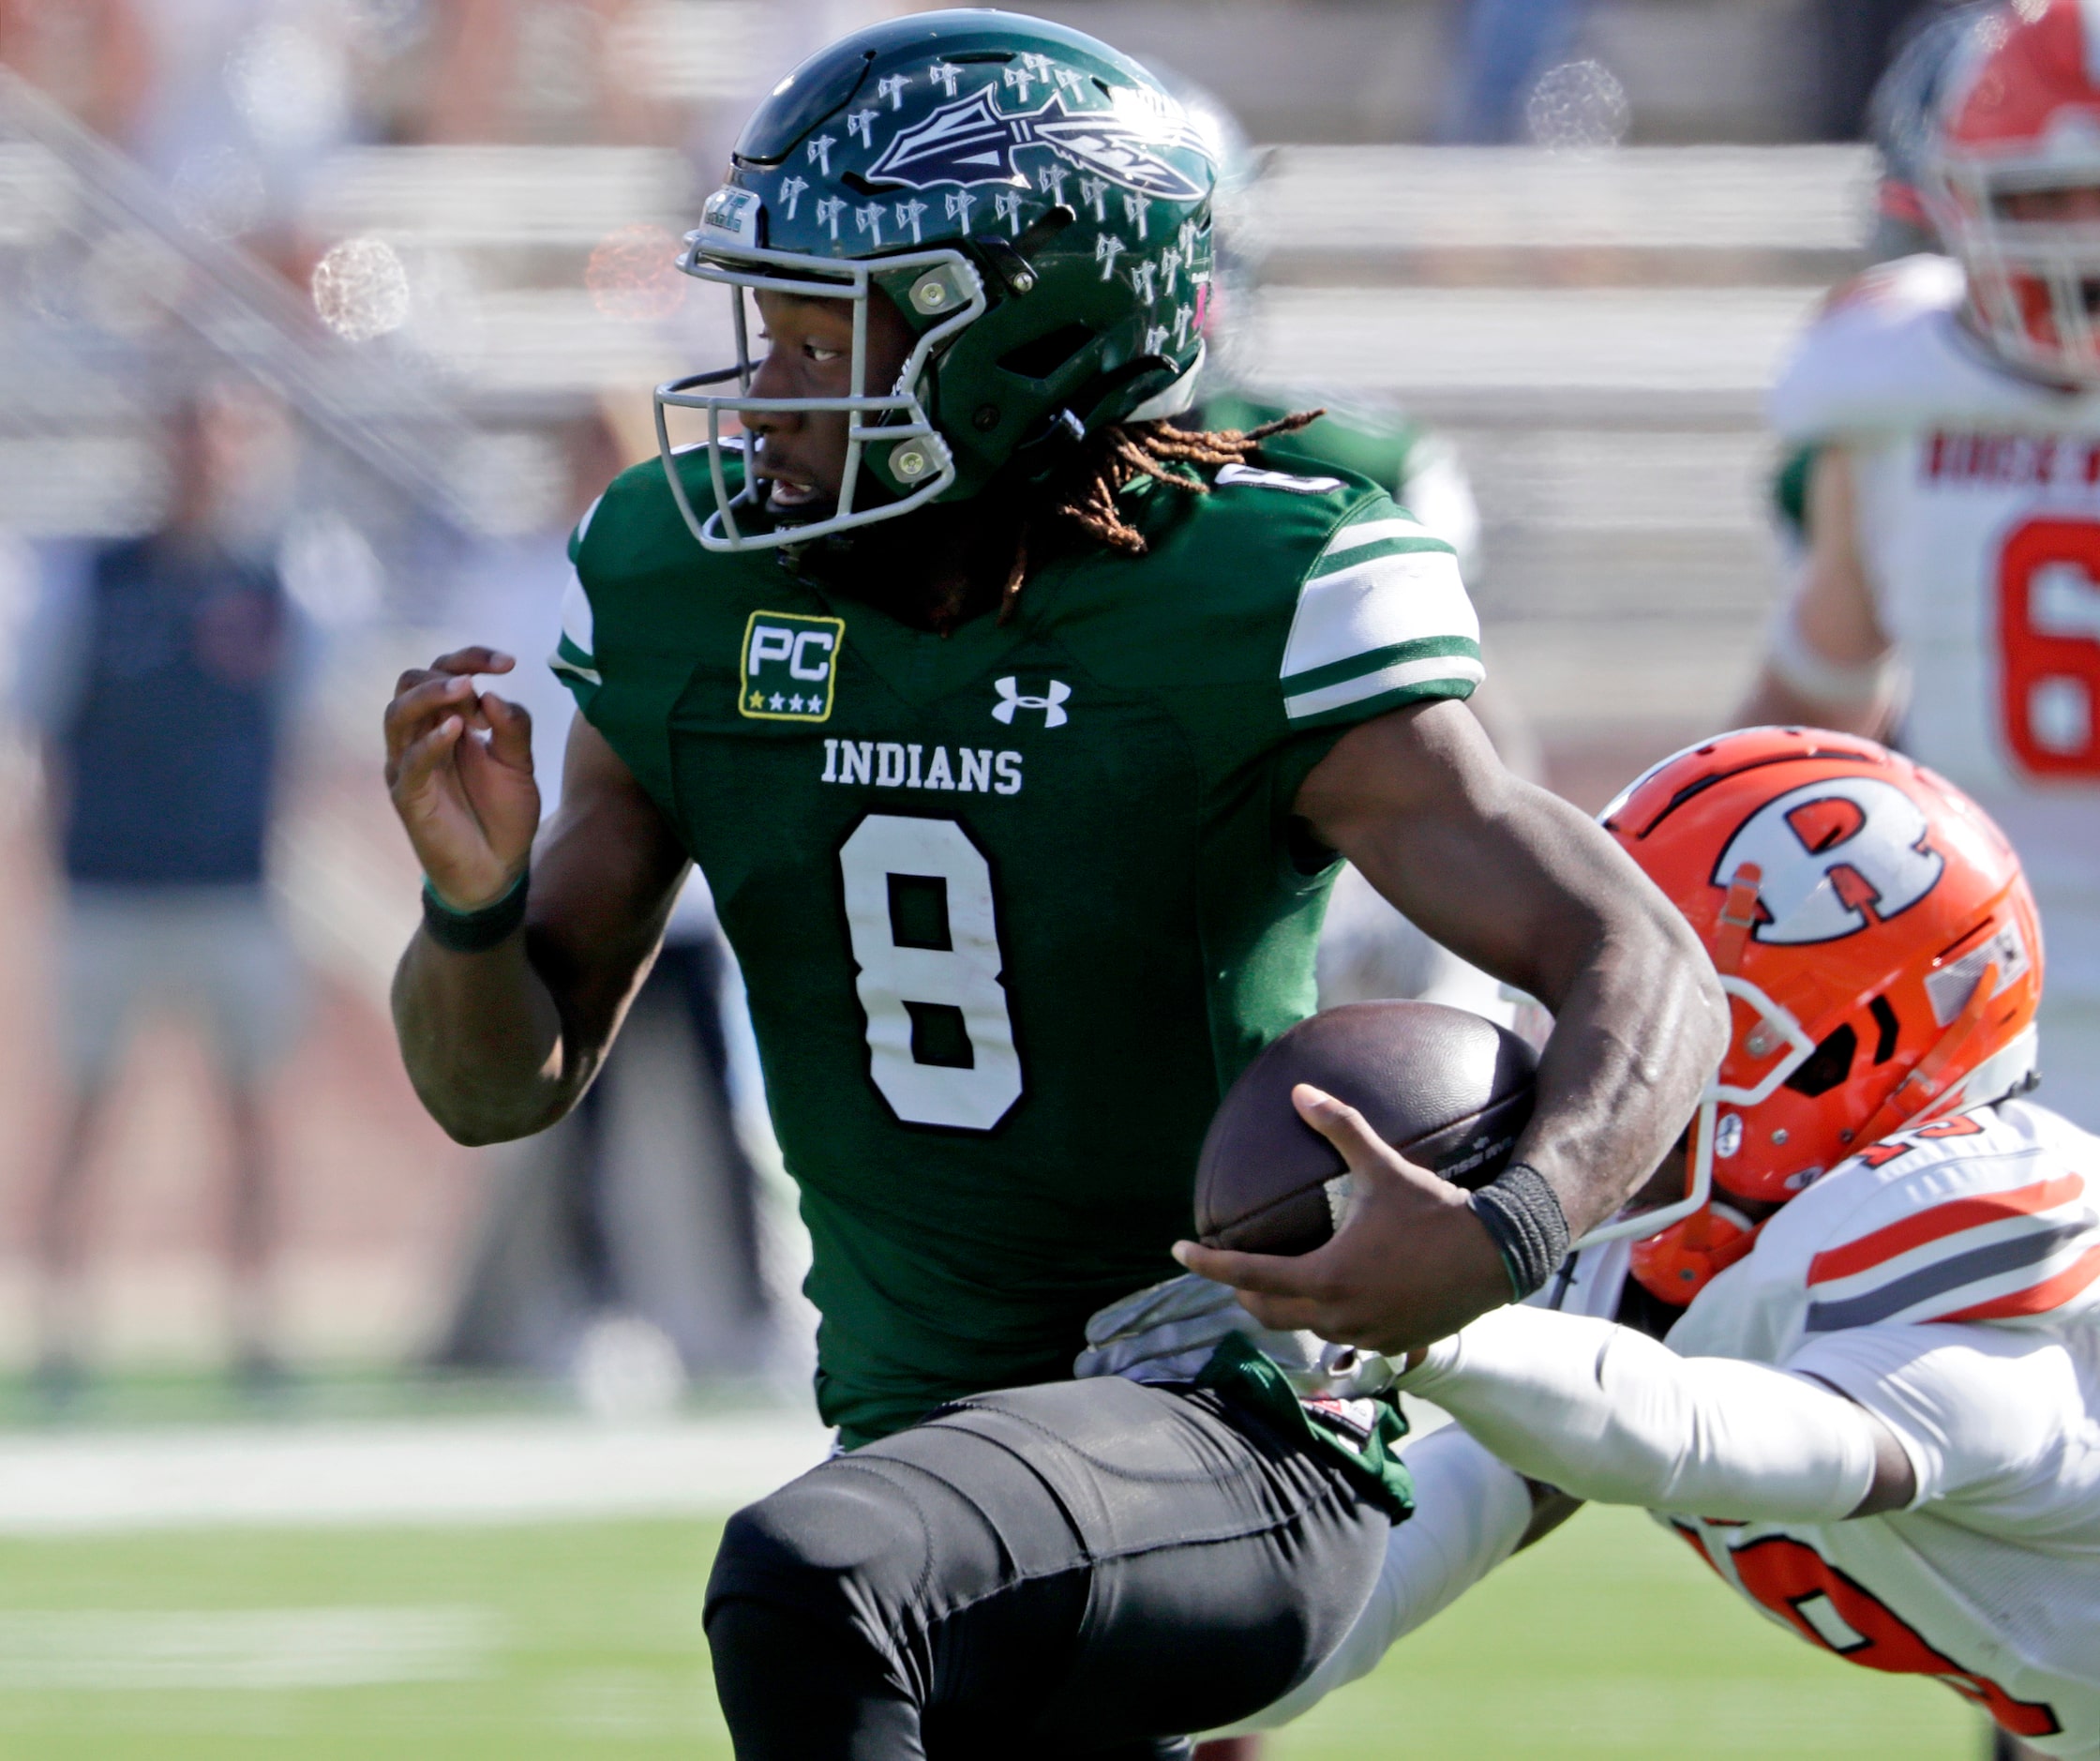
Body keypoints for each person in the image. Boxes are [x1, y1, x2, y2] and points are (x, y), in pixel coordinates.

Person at [381, 12, 1723, 1754]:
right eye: (765, 323)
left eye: (828, 330)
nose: (772, 385)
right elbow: (495, 1087)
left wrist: (1509, 1222)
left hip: (1223, 1417)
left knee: (817, 1577)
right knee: (874, 1562)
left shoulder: (1251, 593)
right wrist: (472, 911)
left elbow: (1642, 955)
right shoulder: (682, 586)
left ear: (1026, 331)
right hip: (931, 1438)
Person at [1150, 728, 2099, 1756]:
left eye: (1664, 1005)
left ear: (1831, 1060)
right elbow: (1341, 1609)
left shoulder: (1982, 1283)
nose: (1597, 1045)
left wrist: (1432, 1327)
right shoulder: (1650, 1274)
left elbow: (1699, 1431)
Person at [1743, 0, 2100, 1134]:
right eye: (2047, 197)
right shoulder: (1886, 401)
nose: (2079, 238)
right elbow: (1814, 704)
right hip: (1981, 988)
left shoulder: (1880, 380)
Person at [20, 384, 305, 1392]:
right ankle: (60, 1334)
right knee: (87, 1112)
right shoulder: (94, 582)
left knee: (253, 1115)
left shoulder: (284, 585)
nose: (204, 465)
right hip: (113, 885)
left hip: (231, 886)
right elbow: (46, 728)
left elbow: (302, 737)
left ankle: (260, 1333)